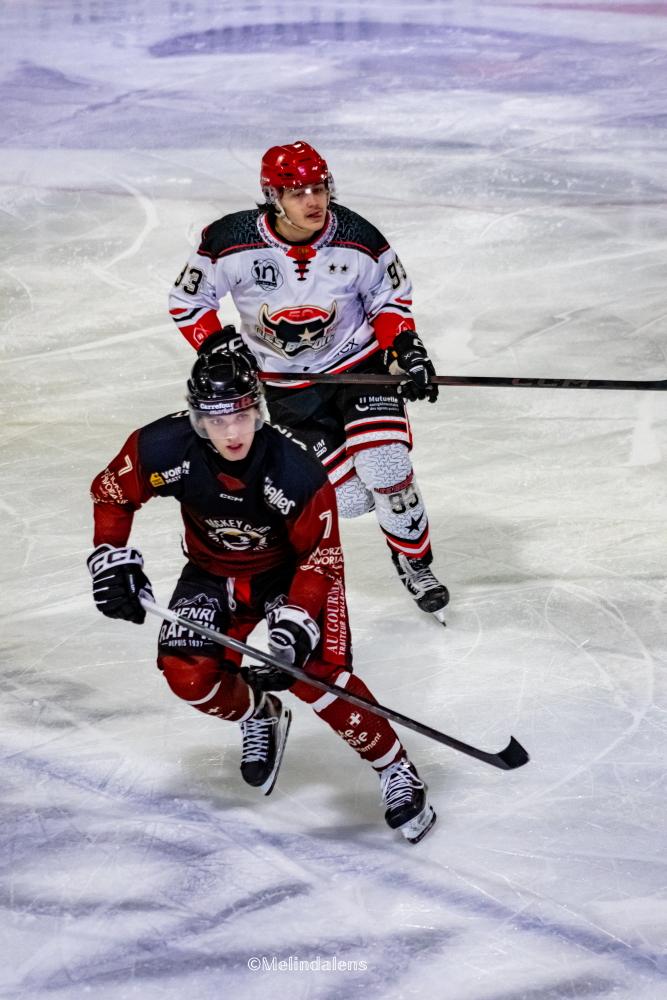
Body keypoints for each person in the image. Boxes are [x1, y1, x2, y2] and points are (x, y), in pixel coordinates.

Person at [87, 355, 436, 843]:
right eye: (217, 420)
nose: (232, 433)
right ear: (197, 419)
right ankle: (260, 712)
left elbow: (320, 557)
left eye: (241, 416)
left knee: (315, 675)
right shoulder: (163, 447)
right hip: (210, 572)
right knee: (188, 676)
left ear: (258, 411)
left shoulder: (295, 470)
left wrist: (296, 620)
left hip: (291, 575)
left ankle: (394, 767)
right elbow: (111, 493)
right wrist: (111, 557)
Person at [168, 140, 449, 624]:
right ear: (273, 197)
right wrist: (217, 345)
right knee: (347, 499)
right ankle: (392, 509)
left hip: (359, 369)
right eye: (298, 193)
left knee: (386, 466)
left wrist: (403, 346)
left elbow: (389, 298)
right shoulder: (230, 239)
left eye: (319, 188)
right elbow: (188, 302)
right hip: (287, 390)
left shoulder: (358, 236)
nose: (314, 201)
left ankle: (415, 562)